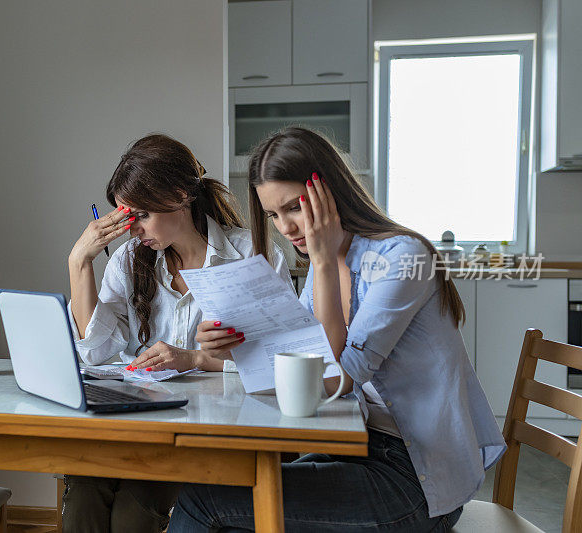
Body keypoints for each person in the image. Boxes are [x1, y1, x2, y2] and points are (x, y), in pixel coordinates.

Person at [168, 126, 507, 532]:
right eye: (274, 215)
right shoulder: (322, 263)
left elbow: (331, 378)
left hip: (416, 479)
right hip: (357, 449)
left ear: (329, 192)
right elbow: (296, 357)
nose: (286, 227)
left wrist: (325, 262)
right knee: (218, 486)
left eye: (294, 207)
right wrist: (233, 348)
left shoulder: (401, 257)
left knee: (204, 500)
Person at [63, 133, 293, 533]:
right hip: (134, 426)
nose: (133, 230)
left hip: (208, 436)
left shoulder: (252, 256)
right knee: (83, 491)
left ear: (181, 195)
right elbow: (93, 352)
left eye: (142, 216)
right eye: (126, 218)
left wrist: (198, 359)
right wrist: (79, 262)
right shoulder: (128, 260)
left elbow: (285, 365)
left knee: (134, 511)